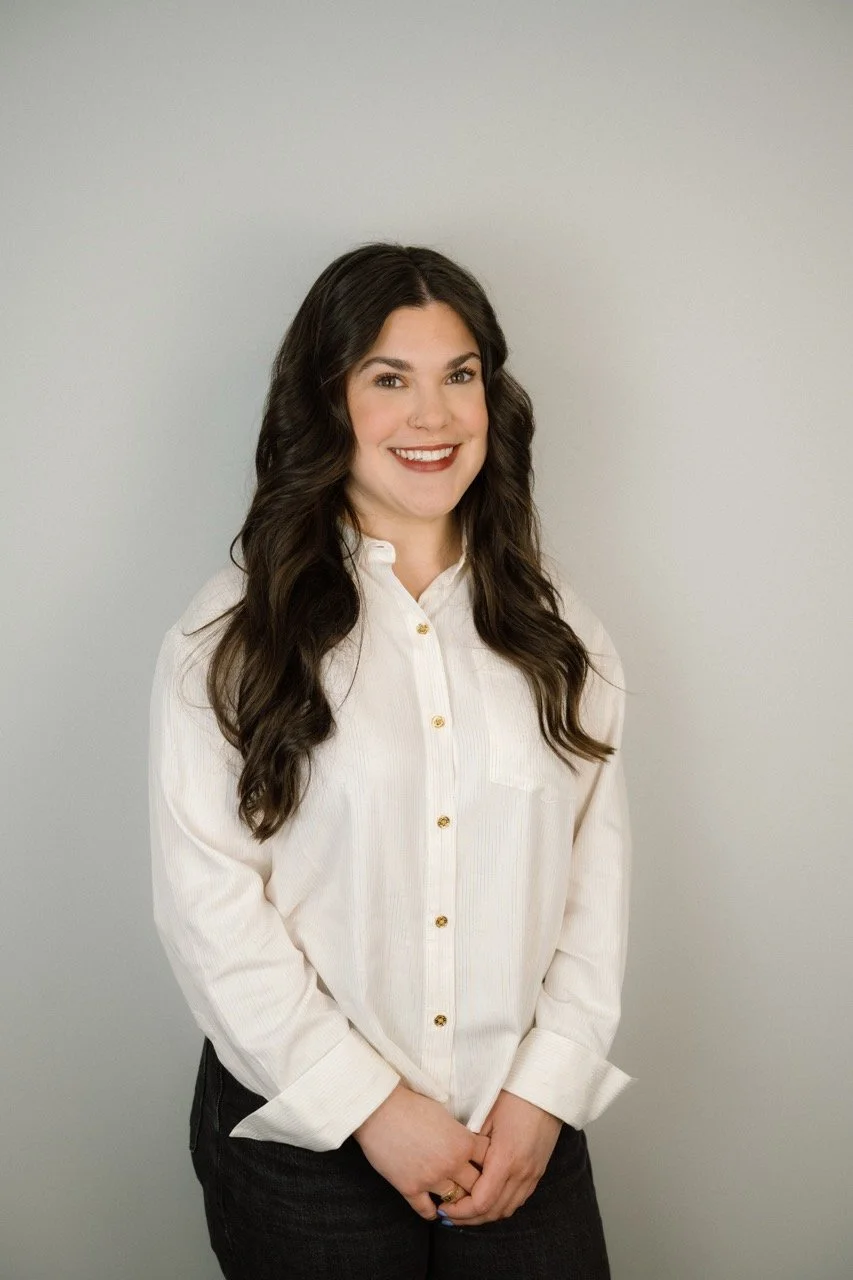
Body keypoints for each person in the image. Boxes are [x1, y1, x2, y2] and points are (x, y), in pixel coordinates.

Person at [148, 241, 634, 1279]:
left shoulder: (562, 634)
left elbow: (596, 890)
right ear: (326, 404)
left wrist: (546, 1088)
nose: (434, 415)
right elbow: (210, 907)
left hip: (517, 1125)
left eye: (459, 374)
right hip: (303, 1134)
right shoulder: (229, 637)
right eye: (388, 378)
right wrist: (371, 1105)